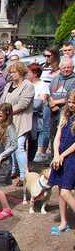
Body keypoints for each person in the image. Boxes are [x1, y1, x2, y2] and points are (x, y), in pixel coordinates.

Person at [0, 61, 34, 187]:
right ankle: (13, 171)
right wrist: (1, 111)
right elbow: (2, 99)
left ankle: (24, 175)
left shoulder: (28, 85)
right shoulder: (8, 85)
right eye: (11, 72)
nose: (12, 74)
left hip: (21, 121)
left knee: (19, 147)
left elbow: (23, 104)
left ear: (21, 72)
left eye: (14, 72)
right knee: (10, 147)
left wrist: (7, 111)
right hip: (9, 121)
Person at [48, 89, 75, 235]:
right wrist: (56, 154)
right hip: (60, 156)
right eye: (69, 102)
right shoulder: (65, 115)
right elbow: (57, 136)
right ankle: (64, 223)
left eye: (74, 103)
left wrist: (62, 155)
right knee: (60, 190)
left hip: (72, 158)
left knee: (66, 191)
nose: (71, 105)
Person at [28, 63, 52, 163]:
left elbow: (40, 102)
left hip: (36, 118)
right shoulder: (26, 84)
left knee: (33, 140)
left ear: (35, 73)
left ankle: (30, 162)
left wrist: (27, 101)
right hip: (26, 116)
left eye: (28, 72)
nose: (27, 74)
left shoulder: (43, 86)